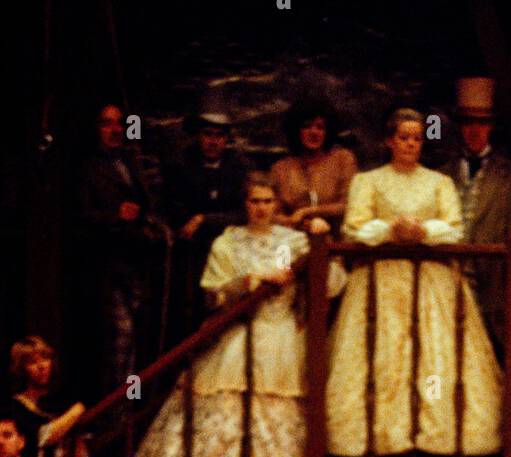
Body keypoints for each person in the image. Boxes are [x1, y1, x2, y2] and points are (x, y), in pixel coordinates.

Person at [131, 173, 343, 457]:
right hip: (239, 334)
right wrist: (249, 282)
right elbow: (212, 295)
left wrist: (321, 239)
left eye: (268, 201)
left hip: (283, 339)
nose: (261, 208)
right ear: (245, 204)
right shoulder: (228, 242)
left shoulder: (293, 241)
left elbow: (333, 282)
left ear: (277, 205)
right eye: (254, 201)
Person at [326, 108, 503, 457]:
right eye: (403, 137)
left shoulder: (439, 182)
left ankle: (435, 433)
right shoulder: (368, 181)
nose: (410, 144)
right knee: (384, 353)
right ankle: (383, 434)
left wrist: (423, 231)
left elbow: (454, 227)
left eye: (417, 138)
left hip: (431, 277)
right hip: (382, 277)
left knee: (433, 356)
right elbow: (354, 227)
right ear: (390, 141)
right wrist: (389, 230)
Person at [442, 77, 511, 354]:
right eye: (468, 123)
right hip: (449, 273)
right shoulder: (443, 172)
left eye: (481, 123)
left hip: (491, 274)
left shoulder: (509, 173)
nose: (475, 130)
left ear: (491, 127)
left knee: (489, 347)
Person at [78, 102, 156, 396]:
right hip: (108, 265)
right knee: (119, 340)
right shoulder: (89, 168)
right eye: (106, 123)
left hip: (138, 262)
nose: (114, 130)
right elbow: (82, 215)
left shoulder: (130, 161)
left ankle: (134, 403)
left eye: (119, 123)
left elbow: (146, 202)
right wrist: (116, 215)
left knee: (138, 338)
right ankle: (116, 410)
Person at [163, 98, 250, 337]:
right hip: (191, 251)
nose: (213, 141)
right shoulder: (181, 165)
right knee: (187, 309)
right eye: (208, 134)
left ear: (227, 139)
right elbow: (173, 207)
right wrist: (190, 223)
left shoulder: (237, 167)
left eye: (219, 135)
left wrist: (204, 219)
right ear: (198, 136)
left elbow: (243, 213)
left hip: (227, 249)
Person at [7, 336, 88, 457]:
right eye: (33, 362)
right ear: (22, 369)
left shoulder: (60, 400)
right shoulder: (16, 407)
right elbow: (42, 437)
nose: (41, 366)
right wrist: (76, 411)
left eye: (45, 359)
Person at [271, 98, 357, 234]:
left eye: (320, 127)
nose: (314, 132)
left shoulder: (343, 159)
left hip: (337, 238)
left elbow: (348, 204)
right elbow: (274, 214)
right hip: (292, 237)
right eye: (306, 126)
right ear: (295, 130)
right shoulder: (281, 168)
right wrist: (297, 223)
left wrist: (308, 212)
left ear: (328, 131)